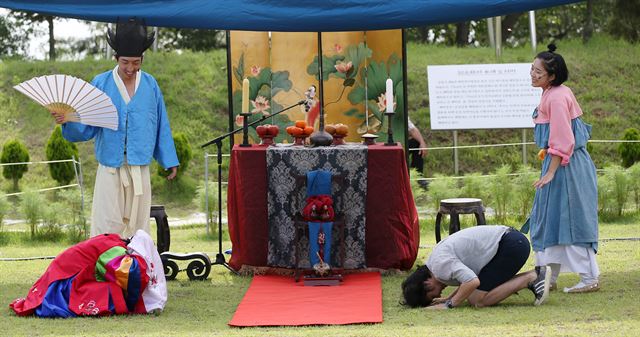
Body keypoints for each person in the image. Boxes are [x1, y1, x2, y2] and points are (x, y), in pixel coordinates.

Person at [51, 18, 179, 237]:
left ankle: (136, 268)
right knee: (107, 224)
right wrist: (68, 120)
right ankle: (106, 268)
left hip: (139, 167)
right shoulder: (100, 84)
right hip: (110, 168)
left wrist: (168, 159)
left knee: (138, 226)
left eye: (136, 63)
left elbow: (160, 124)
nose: (131, 68)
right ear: (116, 58)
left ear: (142, 59)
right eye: (125, 62)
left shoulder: (150, 85)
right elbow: (87, 124)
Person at [526, 44, 600, 293]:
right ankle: (548, 275)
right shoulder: (551, 93)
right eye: (532, 69)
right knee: (550, 218)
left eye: (538, 71)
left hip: (567, 167)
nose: (533, 74)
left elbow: (562, 139)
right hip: (560, 164)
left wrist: (550, 172)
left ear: (552, 76)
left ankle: (589, 277)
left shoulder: (557, 97)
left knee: (570, 219)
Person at [401, 225, 551, 309]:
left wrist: (449, 304)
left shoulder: (440, 267)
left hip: (511, 246)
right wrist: (449, 297)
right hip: (512, 242)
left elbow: (472, 281)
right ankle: (533, 276)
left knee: (476, 300)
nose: (439, 293)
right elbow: (466, 280)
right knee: (473, 296)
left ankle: (533, 277)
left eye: (434, 294)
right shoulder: (435, 263)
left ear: (426, 283)